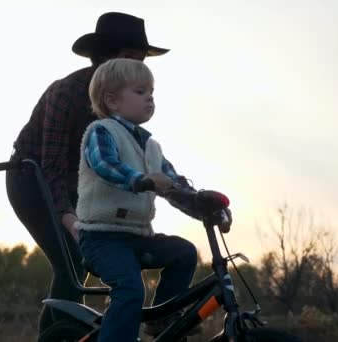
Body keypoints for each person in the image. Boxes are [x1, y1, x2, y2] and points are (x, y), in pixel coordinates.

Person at [4, 12, 170, 333]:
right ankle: (59, 337)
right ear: (105, 58)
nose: (137, 68)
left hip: (79, 185)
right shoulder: (66, 93)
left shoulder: (125, 104)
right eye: (129, 58)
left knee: (115, 255)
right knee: (72, 263)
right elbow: (51, 167)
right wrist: (68, 218)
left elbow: (124, 167)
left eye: (141, 60)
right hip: (32, 180)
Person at [76, 58, 231, 341]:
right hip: (101, 237)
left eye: (151, 91)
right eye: (140, 91)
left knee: (184, 252)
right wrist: (141, 180)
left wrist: (206, 207)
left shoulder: (151, 147)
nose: (150, 97)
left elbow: (174, 185)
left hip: (137, 236)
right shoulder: (101, 132)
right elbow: (105, 165)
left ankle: (161, 319)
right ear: (112, 100)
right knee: (130, 290)